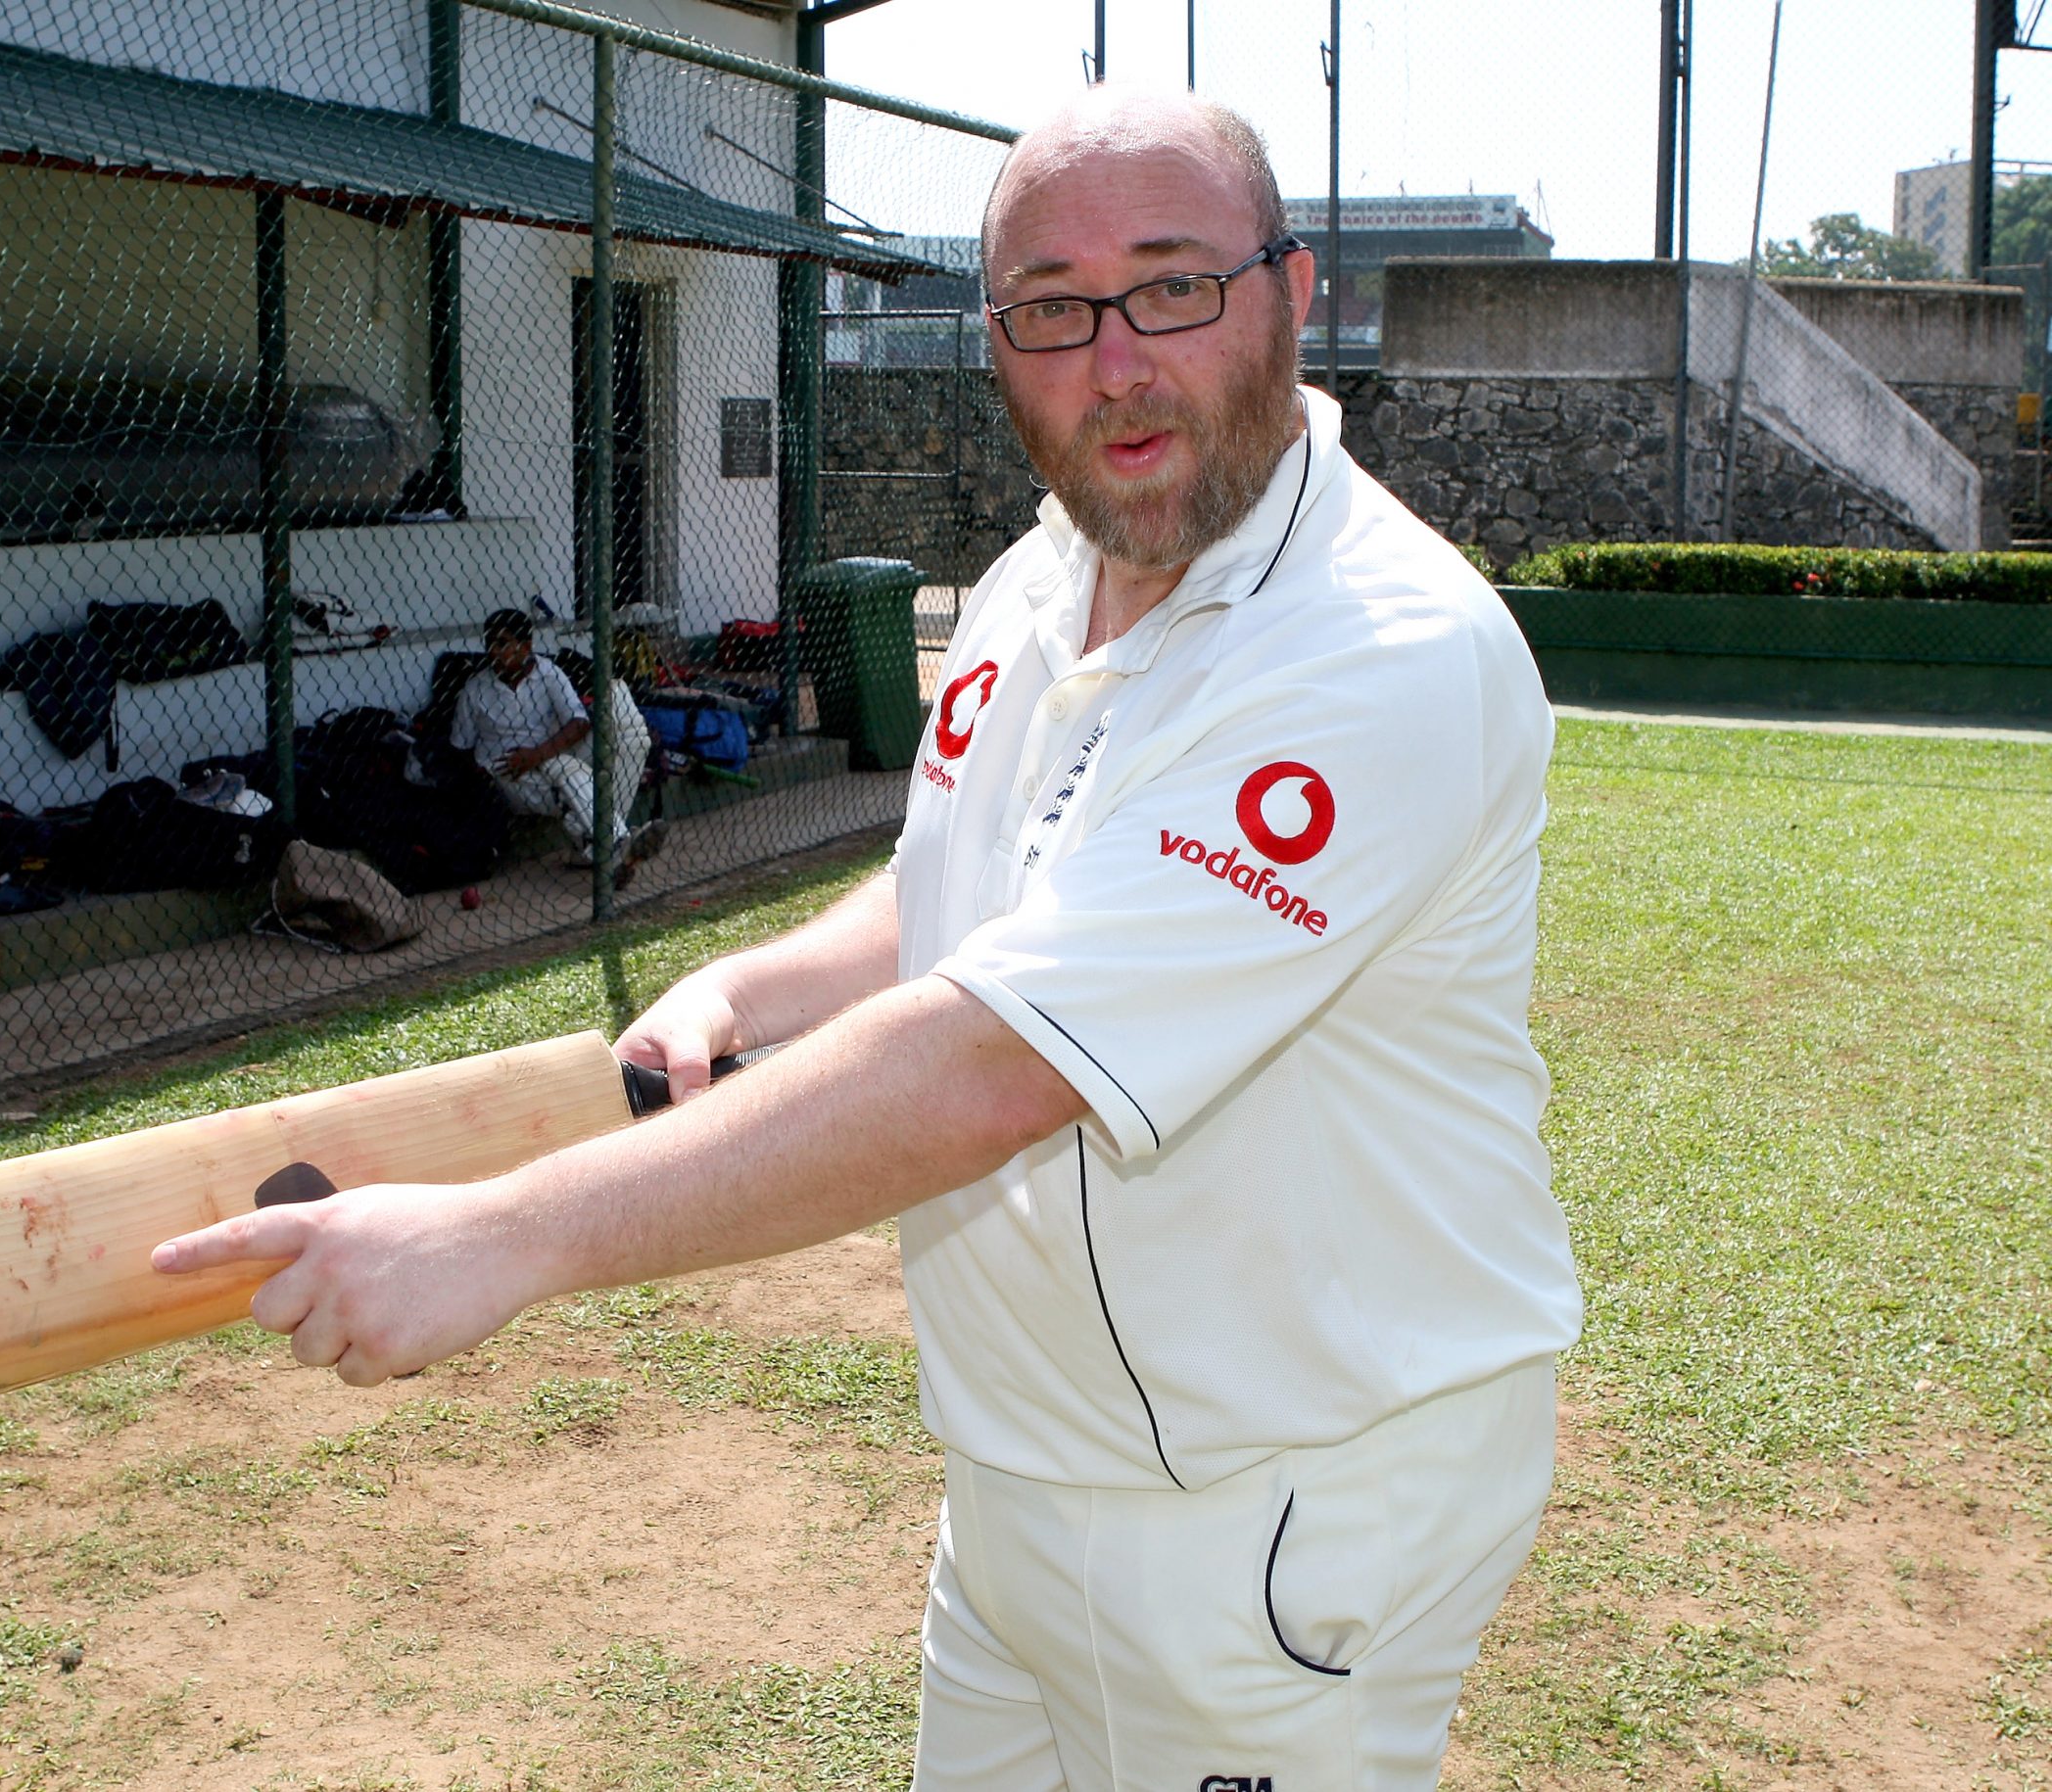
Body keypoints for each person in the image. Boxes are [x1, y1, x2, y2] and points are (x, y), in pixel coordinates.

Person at [157, 87, 1580, 1791]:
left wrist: (503, 1240)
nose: (1115, 359)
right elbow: (968, 892)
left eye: (1174, 285)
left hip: (1287, 1492)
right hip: (1030, 1474)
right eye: (1053, 307)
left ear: (1288, 289)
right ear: (995, 340)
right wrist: (753, 984)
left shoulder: (1376, 649)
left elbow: (995, 1063)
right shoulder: (1039, 582)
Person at [450, 607, 662, 882]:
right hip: (506, 770)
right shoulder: (475, 689)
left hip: (548, 757)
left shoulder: (548, 673)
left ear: (525, 646)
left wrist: (537, 755)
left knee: (615, 745)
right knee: (569, 783)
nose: (493, 651)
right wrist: (484, 781)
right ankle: (619, 845)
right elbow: (460, 748)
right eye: (490, 643)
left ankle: (607, 851)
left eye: (502, 643)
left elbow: (578, 722)